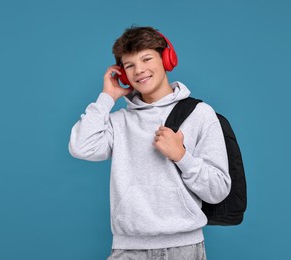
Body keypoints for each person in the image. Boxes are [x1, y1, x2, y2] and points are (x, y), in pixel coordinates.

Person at [68, 26, 231, 260]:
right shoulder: (119, 122)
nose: (139, 70)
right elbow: (81, 147)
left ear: (166, 58)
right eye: (129, 65)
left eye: (146, 58)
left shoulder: (200, 114)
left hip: (184, 248)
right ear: (123, 74)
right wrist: (107, 97)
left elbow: (218, 190)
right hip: (128, 249)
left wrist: (182, 157)